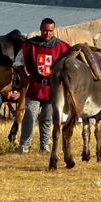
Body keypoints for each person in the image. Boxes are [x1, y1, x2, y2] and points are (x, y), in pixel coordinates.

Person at [16, 17, 71, 154]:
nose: (48, 33)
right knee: (30, 115)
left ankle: (44, 146)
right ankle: (24, 146)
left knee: (47, 118)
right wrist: (26, 78)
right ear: (41, 29)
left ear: (54, 30)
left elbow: (70, 63)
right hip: (35, 86)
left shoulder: (61, 47)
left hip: (52, 88)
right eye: (45, 30)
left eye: (50, 31)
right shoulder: (30, 45)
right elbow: (18, 63)